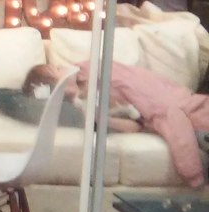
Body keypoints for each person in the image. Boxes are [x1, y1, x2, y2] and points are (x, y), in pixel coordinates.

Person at [24, 62, 209, 187]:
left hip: (187, 108)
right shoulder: (78, 106)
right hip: (179, 117)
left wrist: (192, 172)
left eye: (58, 68)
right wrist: (97, 117)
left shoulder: (96, 70)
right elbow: (135, 126)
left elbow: (161, 107)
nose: (63, 68)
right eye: (57, 71)